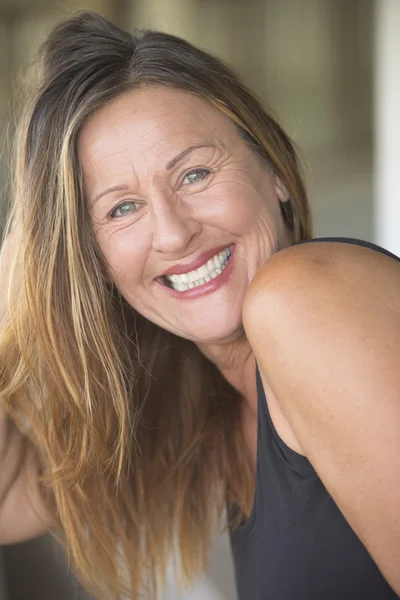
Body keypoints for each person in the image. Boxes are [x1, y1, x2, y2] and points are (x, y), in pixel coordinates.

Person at [0, 10, 399, 600]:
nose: (172, 233)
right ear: (89, 259)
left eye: (194, 173)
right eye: (121, 209)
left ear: (272, 170)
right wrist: (31, 262)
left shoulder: (302, 297)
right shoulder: (212, 407)